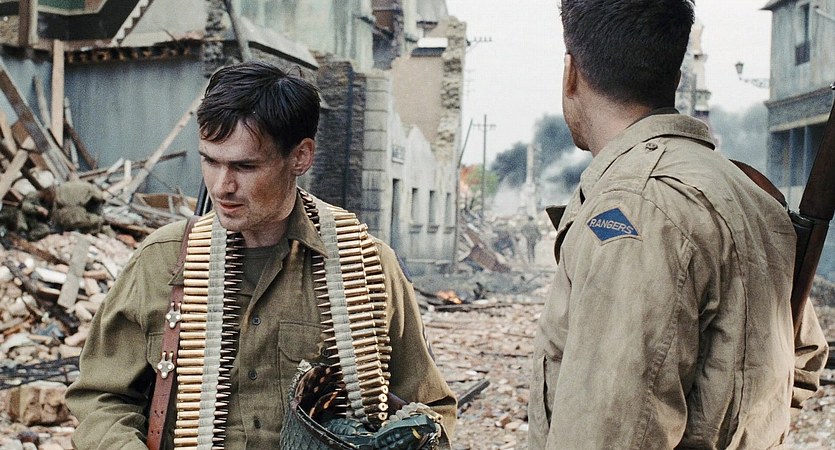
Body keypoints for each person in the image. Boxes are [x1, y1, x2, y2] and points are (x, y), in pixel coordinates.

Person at [65, 60, 456, 448]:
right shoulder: (162, 260)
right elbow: (102, 398)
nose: (222, 186)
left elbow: (429, 410)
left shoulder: (366, 266)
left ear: (301, 157)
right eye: (210, 160)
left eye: (245, 166)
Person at [529, 1, 829, 449]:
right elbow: (801, 360)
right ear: (675, 78)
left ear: (570, 74)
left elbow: (609, 436)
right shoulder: (746, 191)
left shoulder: (635, 207)